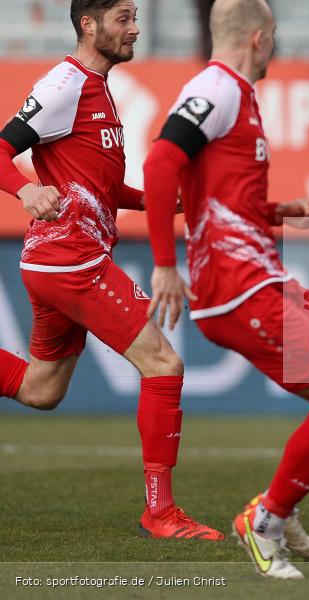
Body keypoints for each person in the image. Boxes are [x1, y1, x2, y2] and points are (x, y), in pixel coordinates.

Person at [142, 0, 309, 579]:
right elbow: (159, 164)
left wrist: (278, 210)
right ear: (257, 37)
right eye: (274, 35)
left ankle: (283, 506)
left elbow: (223, 197)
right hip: (236, 289)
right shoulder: (217, 88)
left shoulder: (240, 97)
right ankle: (267, 517)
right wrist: (163, 264)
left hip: (264, 276)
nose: (276, 44)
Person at [0, 0, 221, 541]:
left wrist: (160, 203)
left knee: (41, 389)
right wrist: (25, 188)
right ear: (89, 24)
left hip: (56, 262)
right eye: (123, 18)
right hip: (71, 261)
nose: (135, 28)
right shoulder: (65, 84)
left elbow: (100, 186)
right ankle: (160, 512)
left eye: (136, 17)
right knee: (163, 364)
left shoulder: (99, 91)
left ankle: (161, 511)